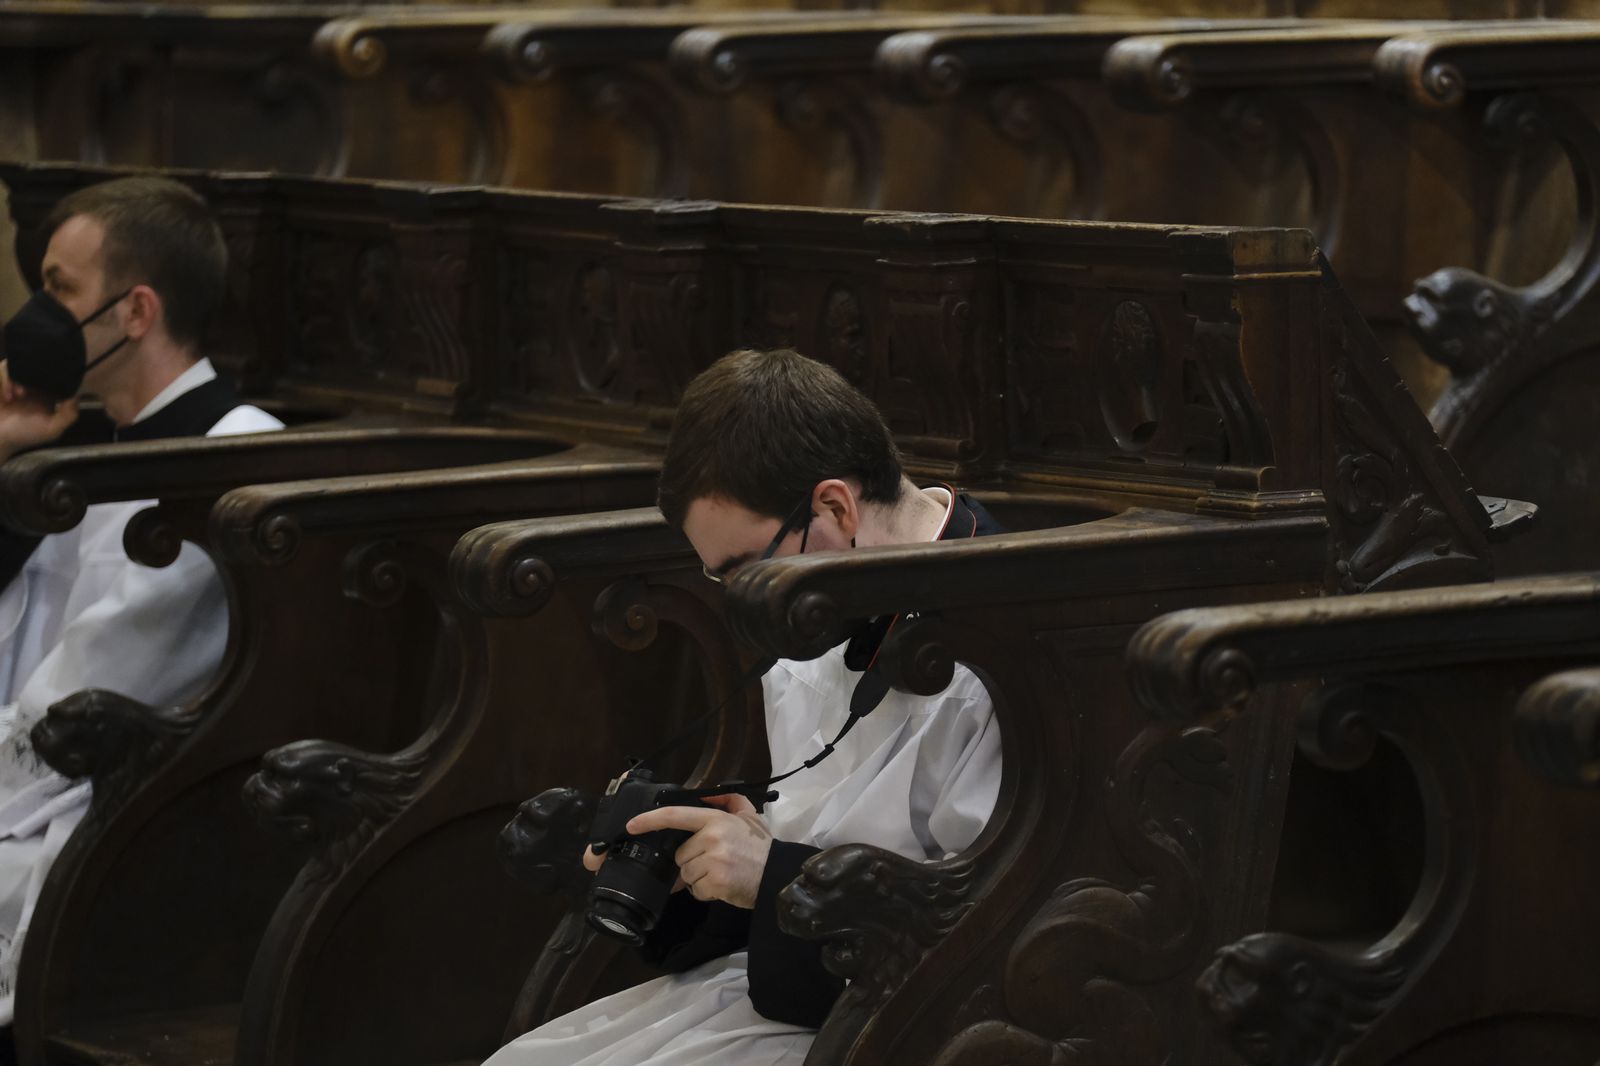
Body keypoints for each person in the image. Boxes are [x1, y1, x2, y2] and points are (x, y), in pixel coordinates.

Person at [486, 348, 1003, 1066]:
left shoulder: (1005, 660)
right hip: (797, 981)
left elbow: (991, 934)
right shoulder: (814, 606)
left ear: (834, 506)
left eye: (742, 569)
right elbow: (806, 826)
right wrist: (689, 866)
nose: (740, 601)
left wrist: (771, 876)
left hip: (910, 1022)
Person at [0, 176, 282, 1035]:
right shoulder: (92, 446)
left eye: (59, 289)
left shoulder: (231, 456)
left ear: (135, 312)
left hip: (138, 818)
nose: (35, 319)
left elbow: (89, 694)